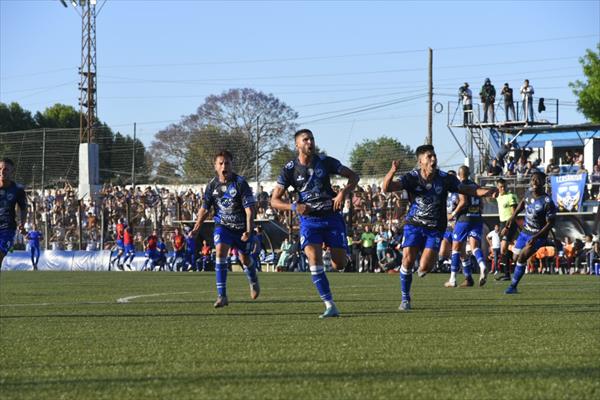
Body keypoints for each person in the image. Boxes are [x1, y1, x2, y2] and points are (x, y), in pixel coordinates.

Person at [382, 145, 497, 311]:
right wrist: (392, 171)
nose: (433, 159)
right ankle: (405, 299)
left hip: (435, 228)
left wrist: (485, 192)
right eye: (429, 156)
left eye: (434, 156)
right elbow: (386, 188)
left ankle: (423, 268)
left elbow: (465, 189)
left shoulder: (445, 179)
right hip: (414, 224)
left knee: (425, 267)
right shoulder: (412, 177)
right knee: (407, 258)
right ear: (420, 161)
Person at [271, 128, 359, 318]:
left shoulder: (325, 162)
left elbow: (354, 176)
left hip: (332, 217)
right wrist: (294, 207)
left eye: (311, 139)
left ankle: (339, 252)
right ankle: (329, 305)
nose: (310, 142)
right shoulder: (289, 169)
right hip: (310, 221)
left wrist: (343, 193)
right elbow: (274, 200)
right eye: (305, 140)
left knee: (339, 265)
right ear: (297, 145)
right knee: (313, 257)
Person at [191, 150, 260, 307]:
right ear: (215, 166)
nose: (224, 166)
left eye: (227, 163)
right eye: (221, 163)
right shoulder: (211, 186)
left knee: (244, 259)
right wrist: (196, 227)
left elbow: (250, 210)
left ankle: (253, 279)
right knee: (220, 251)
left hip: (241, 229)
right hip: (223, 226)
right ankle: (222, 296)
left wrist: (249, 231)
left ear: (231, 165)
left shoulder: (240, 183)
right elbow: (205, 209)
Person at [502, 171, 557, 294]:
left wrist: (536, 236)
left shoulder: (547, 201)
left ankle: (513, 286)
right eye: (533, 179)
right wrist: (513, 216)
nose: (535, 182)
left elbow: (550, 223)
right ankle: (515, 278)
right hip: (525, 232)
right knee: (515, 257)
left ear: (543, 182)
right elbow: (522, 202)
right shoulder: (528, 194)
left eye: (538, 179)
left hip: (538, 236)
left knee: (522, 257)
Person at [445, 165, 489, 288]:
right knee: (474, 247)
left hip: (464, 219)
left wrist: (453, 214)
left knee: (455, 248)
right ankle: (482, 265)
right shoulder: (475, 185)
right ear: (469, 173)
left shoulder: (461, 185)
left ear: (459, 175)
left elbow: (463, 201)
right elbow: (481, 203)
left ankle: (452, 279)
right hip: (477, 218)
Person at [0, 158, 27, 270]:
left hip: (7, 229)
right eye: (0, 168)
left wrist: (22, 223)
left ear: (12, 171)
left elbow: (23, 208)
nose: (2, 171)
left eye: (6, 169)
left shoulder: (18, 189)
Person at [495, 178, 519, 281]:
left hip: (510, 223)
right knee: (503, 250)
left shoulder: (511, 196)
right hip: (502, 223)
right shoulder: (498, 196)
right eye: (500, 187)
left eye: (504, 186)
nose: (503, 188)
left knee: (504, 247)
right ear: (497, 187)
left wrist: (507, 227)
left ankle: (507, 273)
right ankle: (507, 273)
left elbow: (514, 214)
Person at [438, 170, 458, 272]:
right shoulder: (443, 192)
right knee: (442, 253)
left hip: (456, 225)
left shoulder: (458, 192)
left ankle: (458, 271)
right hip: (446, 226)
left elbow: (464, 205)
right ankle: (442, 267)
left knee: (457, 250)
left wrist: (454, 216)